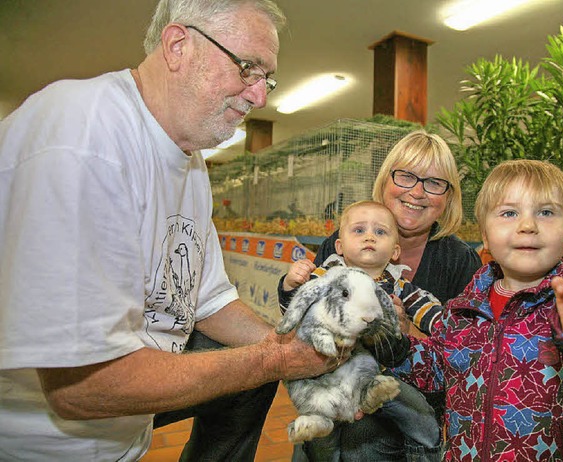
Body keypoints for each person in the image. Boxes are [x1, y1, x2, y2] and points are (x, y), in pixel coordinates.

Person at [0, 1, 344, 461]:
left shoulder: (189, 159)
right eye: (248, 69)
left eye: (268, 79)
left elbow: (209, 301)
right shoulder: (84, 136)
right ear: (178, 45)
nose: (260, 97)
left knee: (253, 373)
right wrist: (275, 360)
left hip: (122, 439)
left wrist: (285, 343)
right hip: (38, 448)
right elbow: (80, 387)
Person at [377, 159, 563, 460]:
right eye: (509, 213)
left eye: (546, 212)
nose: (527, 226)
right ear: (485, 236)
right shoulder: (465, 306)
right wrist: (394, 345)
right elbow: (437, 369)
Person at [299, 131, 482, 460]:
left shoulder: (460, 261)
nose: (417, 192)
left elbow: (464, 356)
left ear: (448, 197)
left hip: (412, 406)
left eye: (434, 182)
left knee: (365, 439)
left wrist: (401, 341)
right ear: (385, 182)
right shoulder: (338, 245)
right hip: (334, 388)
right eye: (406, 176)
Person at [279, 200, 444, 461]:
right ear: (339, 246)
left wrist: (450, 327)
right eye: (359, 231)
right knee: (319, 436)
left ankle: (428, 449)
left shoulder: (398, 285)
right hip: (328, 373)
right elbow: (294, 310)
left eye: (380, 232)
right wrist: (290, 284)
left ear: (395, 251)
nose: (369, 237)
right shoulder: (327, 276)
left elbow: (429, 309)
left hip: (379, 377)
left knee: (418, 412)